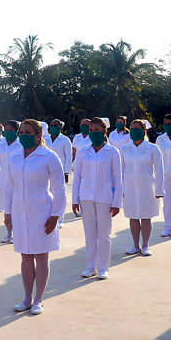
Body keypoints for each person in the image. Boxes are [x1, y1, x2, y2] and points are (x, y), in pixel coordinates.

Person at [4, 119, 66, 315]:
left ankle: (39, 299)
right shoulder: (14, 157)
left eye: (27, 131)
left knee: (41, 255)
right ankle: (26, 298)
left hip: (42, 212)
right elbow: (9, 187)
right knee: (25, 256)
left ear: (38, 136)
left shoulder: (49, 157)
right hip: (20, 212)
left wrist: (55, 215)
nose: (23, 135)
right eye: (21, 131)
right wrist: (7, 212)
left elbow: (60, 190)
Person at [72, 117, 122, 280]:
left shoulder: (113, 152)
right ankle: (90, 266)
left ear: (104, 131)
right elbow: (77, 177)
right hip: (85, 197)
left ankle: (103, 268)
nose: (93, 133)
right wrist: (74, 199)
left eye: (97, 130)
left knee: (104, 235)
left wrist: (116, 202)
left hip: (104, 197)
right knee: (90, 233)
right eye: (91, 130)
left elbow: (117, 179)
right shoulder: (82, 152)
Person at [121, 119, 165, 256]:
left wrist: (159, 190)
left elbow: (159, 170)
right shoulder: (124, 149)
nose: (134, 131)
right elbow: (120, 171)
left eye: (137, 129)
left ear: (144, 130)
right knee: (133, 217)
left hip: (147, 187)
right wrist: (120, 190)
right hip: (129, 188)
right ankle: (135, 245)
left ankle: (146, 245)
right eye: (132, 129)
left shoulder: (152, 148)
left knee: (146, 217)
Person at [0, 121, 23, 243]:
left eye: (10, 130)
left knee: (17, 208)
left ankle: (17, 234)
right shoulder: (0, 145)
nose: (7, 132)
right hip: (4, 180)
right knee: (7, 208)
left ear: (16, 131)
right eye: (6, 130)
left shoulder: (21, 145)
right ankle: (8, 233)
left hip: (17, 181)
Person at [158, 114, 171, 238]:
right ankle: (168, 227)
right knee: (167, 202)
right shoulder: (161, 139)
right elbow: (158, 159)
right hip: (166, 175)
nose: (167, 126)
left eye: (169, 124)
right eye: (165, 124)